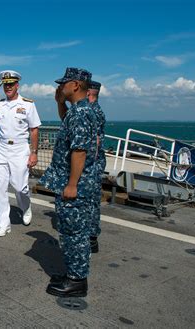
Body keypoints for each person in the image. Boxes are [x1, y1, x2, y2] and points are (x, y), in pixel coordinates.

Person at [38, 67, 98, 297]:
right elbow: (68, 124)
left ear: (75, 85)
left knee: (74, 233)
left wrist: (72, 184)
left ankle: (77, 281)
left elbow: (79, 151)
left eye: (63, 84)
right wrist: (59, 102)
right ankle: (73, 273)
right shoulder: (78, 110)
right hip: (72, 181)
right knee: (71, 231)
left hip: (75, 185)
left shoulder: (81, 113)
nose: (60, 88)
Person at [0, 70, 41, 237]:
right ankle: (4, 224)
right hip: (2, 148)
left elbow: (34, 130)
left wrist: (34, 153)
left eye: (11, 84)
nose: (8, 87)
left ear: (17, 85)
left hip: (20, 149)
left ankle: (25, 207)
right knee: (0, 187)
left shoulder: (28, 104)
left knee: (20, 187)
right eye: (6, 85)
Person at [87, 80, 106, 253]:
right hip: (94, 163)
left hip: (92, 164)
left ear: (89, 93)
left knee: (92, 201)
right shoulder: (95, 110)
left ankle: (92, 239)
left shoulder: (93, 112)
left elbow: (96, 142)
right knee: (91, 201)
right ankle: (91, 236)